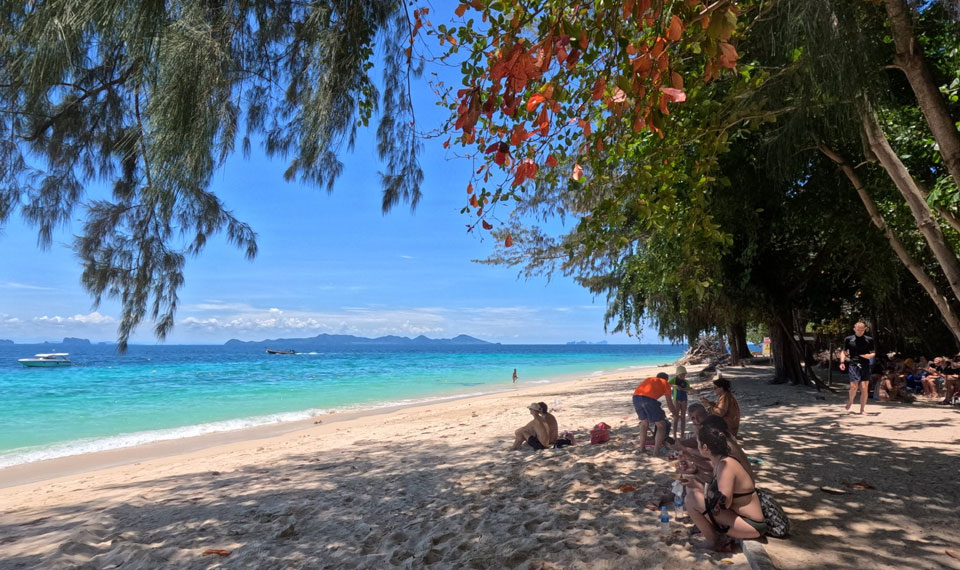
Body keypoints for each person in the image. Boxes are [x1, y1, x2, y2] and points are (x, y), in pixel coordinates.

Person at [685, 425, 766, 551]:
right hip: (742, 519)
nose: (697, 446)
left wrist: (707, 509)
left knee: (691, 499)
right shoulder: (722, 461)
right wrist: (695, 473)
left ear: (705, 447)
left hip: (751, 525)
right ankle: (714, 535)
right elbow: (715, 485)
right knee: (694, 493)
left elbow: (724, 502)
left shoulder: (725, 466)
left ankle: (713, 541)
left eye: (698, 443)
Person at [632, 372, 679, 455]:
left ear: (657, 377)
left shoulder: (649, 379)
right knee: (661, 425)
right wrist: (676, 413)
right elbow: (669, 403)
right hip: (648, 400)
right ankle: (656, 452)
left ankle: (642, 448)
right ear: (666, 379)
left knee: (644, 424)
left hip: (636, 397)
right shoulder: (665, 383)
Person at [839, 321, 876, 414]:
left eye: (862, 330)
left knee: (864, 387)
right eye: (858, 330)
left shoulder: (869, 339)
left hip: (865, 364)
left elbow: (873, 353)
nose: (860, 332)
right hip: (853, 364)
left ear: (865, 330)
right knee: (854, 385)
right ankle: (851, 400)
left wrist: (869, 356)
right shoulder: (848, 339)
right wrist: (842, 362)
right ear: (854, 329)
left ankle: (862, 409)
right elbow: (843, 351)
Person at [670, 365, 690, 439]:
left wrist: (689, 390)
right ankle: (674, 434)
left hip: (684, 399)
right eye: (681, 374)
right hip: (676, 399)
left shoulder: (686, 381)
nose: (683, 376)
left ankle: (682, 434)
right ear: (678, 374)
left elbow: (688, 389)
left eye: (684, 374)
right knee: (676, 417)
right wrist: (675, 386)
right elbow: (667, 384)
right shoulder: (674, 380)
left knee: (683, 417)